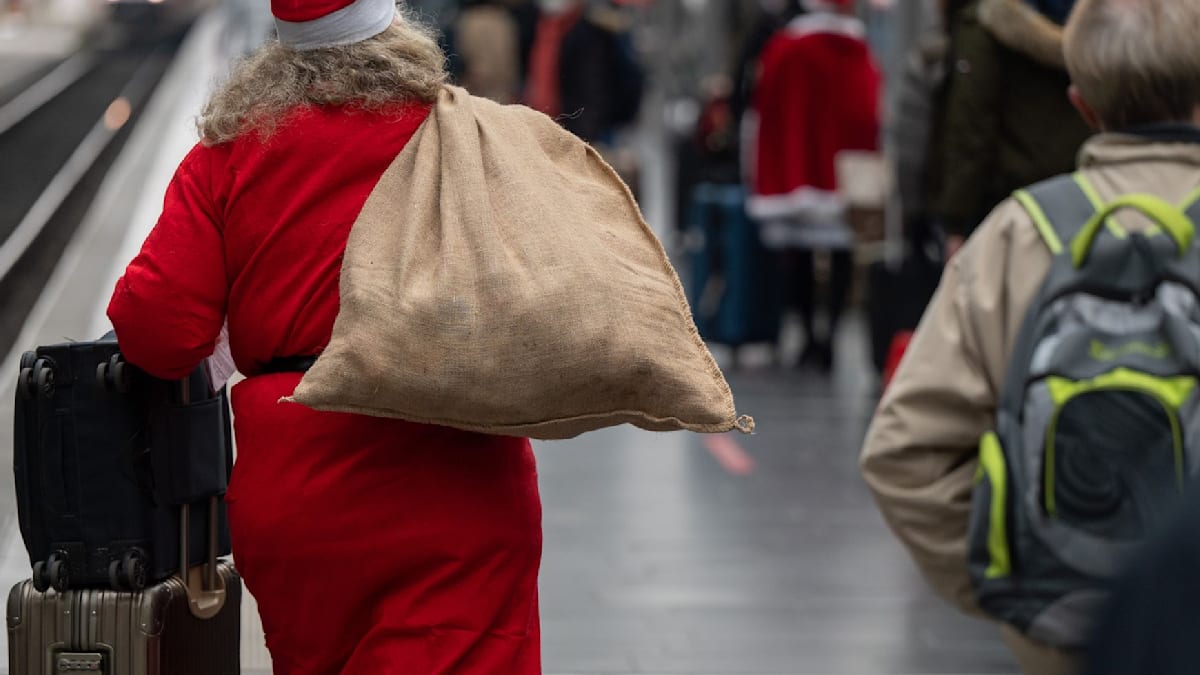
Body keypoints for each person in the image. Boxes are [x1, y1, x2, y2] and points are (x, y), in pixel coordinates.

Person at [106, 2, 543, 672]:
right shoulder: (459, 132)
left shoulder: (227, 154)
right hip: (457, 481)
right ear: (393, 29)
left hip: (301, 497)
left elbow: (155, 327)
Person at [859, 0, 1200, 672]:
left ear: (1081, 105)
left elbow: (902, 454)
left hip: (1060, 631)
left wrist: (1020, 585)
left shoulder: (1016, 235)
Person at [744, 0, 880, 371]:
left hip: (799, 170)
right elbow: (868, 112)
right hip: (844, 172)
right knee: (842, 254)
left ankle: (807, 336)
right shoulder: (858, 50)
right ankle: (831, 333)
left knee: (798, 255)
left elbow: (766, 108)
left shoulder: (787, 47)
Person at [933, 0, 1091, 257]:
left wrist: (956, 219)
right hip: (1086, 200)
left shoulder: (986, 20)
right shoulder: (1105, 24)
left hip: (1008, 207)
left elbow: (971, 124)